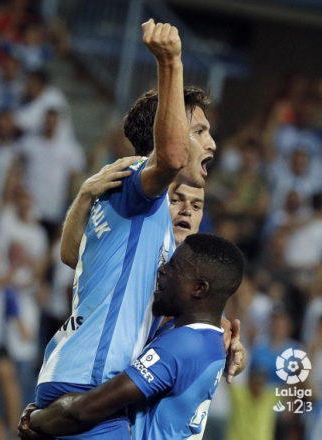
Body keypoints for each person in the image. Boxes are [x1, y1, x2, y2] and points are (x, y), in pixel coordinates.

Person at [33, 19, 223, 439]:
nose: (211, 142)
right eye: (199, 130)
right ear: (166, 130)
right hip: (94, 385)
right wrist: (170, 62)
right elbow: (171, 156)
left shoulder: (123, 198)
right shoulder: (141, 181)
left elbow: (71, 255)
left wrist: (83, 197)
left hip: (71, 375)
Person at [20, 233, 245, 440]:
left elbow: (85, 411)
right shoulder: (211, 337)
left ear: (199, 289)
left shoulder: (182, 346)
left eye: (174, 267)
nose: (162, 270)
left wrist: (36, 419)